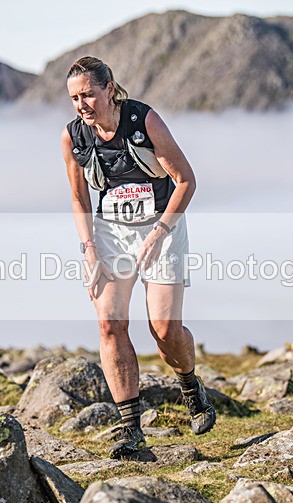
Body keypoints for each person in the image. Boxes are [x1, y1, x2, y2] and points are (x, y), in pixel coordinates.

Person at [60, 56, 216, 458]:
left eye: (88, 94)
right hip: (110, 234)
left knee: (164, 330)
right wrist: (88, 249)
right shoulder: (73, 137)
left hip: (161, 226)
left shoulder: (143, 121)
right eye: (75, 98)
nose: (82, 104)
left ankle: (190, 385)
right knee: (110, 324)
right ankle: (131, 429)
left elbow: (186, 180)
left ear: (109, 88)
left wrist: (161, 231)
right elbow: (79, 198)